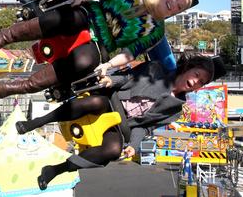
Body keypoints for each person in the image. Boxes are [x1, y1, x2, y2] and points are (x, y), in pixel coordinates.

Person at [16, 53, 224, 190]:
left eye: (201, 82)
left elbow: (146, 127)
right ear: (188, 67)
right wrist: (111, 80)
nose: (196, 82)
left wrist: (133, 146)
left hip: (122, 124)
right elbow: (127, 78)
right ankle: (37, 122)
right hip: (112, 101)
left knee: (112, 150)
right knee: (94, 102)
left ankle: (55, 170)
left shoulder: (176, 110)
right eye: (197, 75)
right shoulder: (155, 69)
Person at [0, 0, 199, 98]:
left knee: (85, 63)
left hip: (102, 44)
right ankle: (4, 37)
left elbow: (130, 52)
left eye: (180, 8)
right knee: (67, 18)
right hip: (90, 15)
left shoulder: (156, 32)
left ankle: (19, 87)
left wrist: (108, 65)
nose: (175, 5)